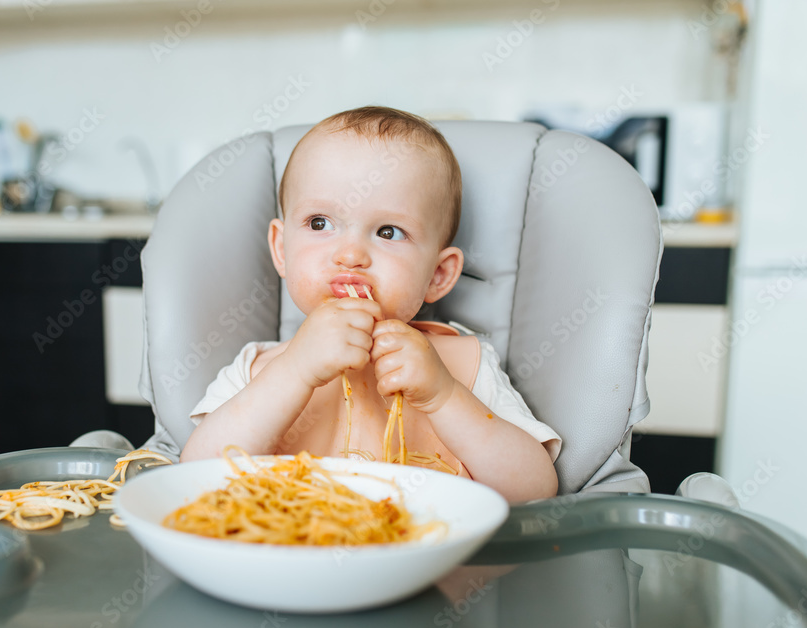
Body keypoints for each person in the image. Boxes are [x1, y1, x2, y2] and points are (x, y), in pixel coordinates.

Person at [180, 106, 559, 503]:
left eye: (388, 231)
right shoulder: (258, 370)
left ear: (438, 274)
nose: (350, 254)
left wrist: (443, 397)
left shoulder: (464, 367)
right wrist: (295, 372)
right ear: (281, 249)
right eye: (319, 223)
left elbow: (534, 490)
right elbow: (197, 480)